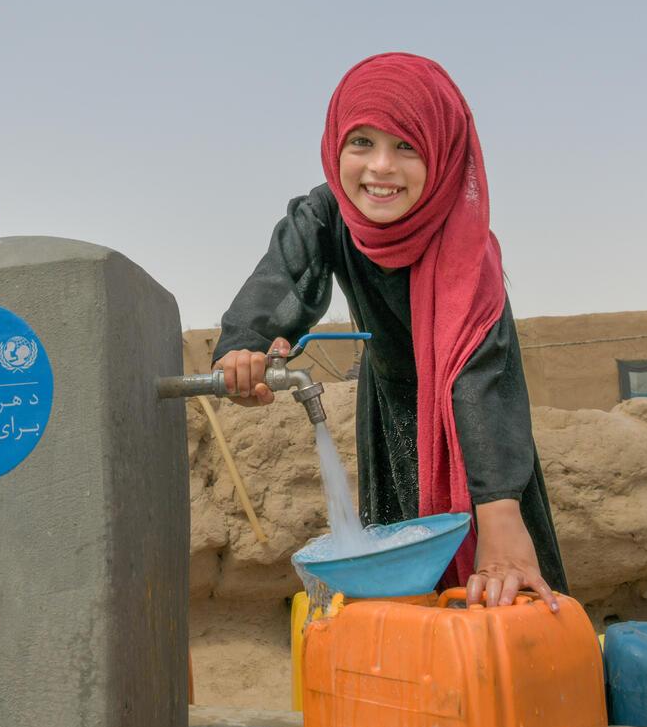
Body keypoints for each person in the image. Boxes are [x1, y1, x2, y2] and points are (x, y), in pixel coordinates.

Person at [212, 52, 567, 610]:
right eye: (362, 142)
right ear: (336, 145)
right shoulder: (328, 212)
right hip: (389, 412)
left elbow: (482, 378)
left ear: (442, 151)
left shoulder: (465, 243)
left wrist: (500, 515)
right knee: (403, 594)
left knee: (504, 591)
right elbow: (283, 275)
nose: (380, 167)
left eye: (407, 146)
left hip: (477, 430)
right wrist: (244, 348)